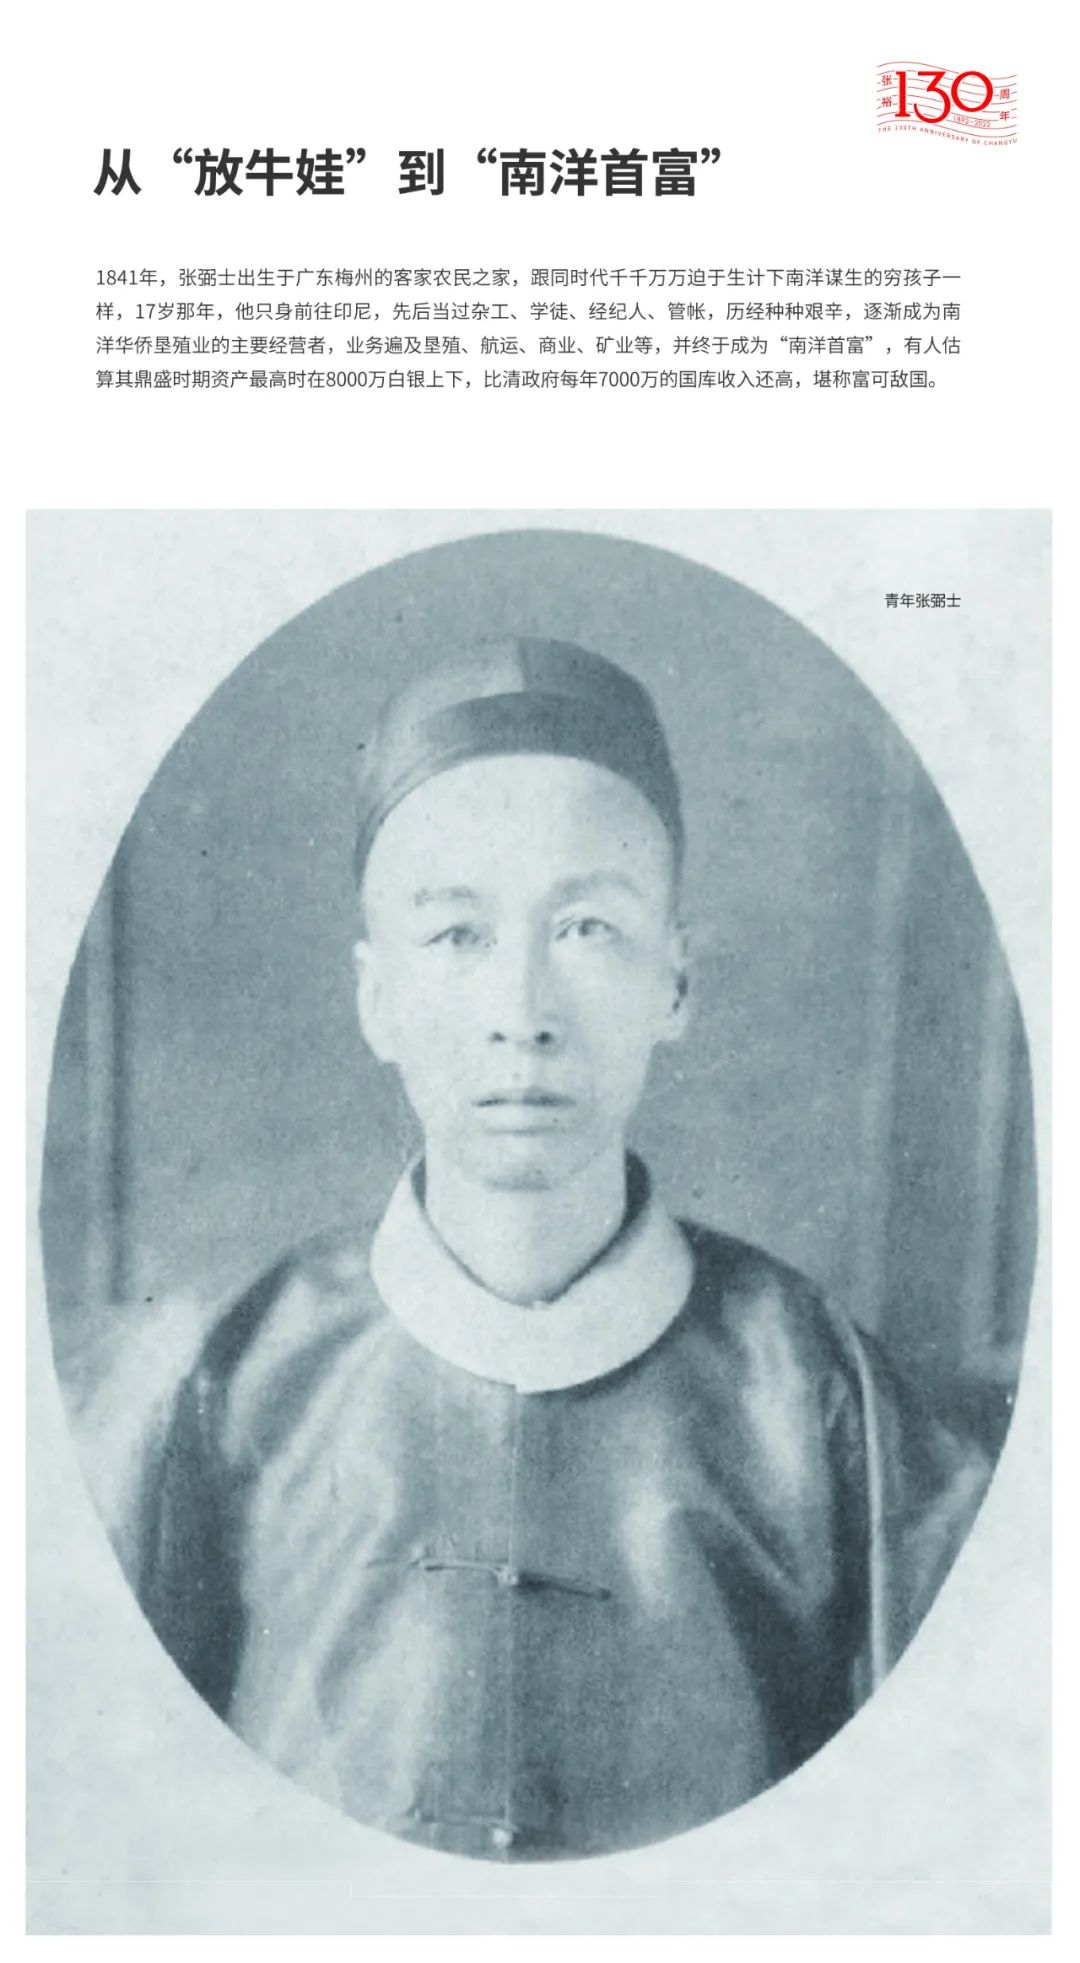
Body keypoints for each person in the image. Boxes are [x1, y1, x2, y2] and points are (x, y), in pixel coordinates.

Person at [64, 637, 990, 1862]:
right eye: (457, 935)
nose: (524, 1012)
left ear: (677, 981)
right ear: (376, 997)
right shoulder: (207, 1388)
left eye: (588, 928)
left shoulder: (830, 1407)